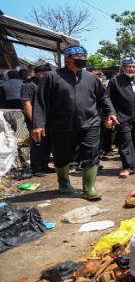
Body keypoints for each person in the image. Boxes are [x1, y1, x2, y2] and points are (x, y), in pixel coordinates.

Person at [32, 46, 118, 200]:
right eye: (79, 55)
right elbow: (40, 101)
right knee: (62, 155)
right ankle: (64, 184)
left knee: (92, 153)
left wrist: (110, 113)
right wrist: (38, 124)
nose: (83, 58)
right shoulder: (52, 77)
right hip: (62, 124)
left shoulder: (91, 78)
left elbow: (103, 97)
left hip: (90, 122)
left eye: (85, 55)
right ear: (68, 58)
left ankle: (89, 188)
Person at [21, 64, 53, 177]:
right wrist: (35, 121)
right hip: (35, 120)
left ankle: (45, 165)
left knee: (47, 143)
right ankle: (37, 168)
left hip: (47, 119)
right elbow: (26, 103)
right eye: (45, 73)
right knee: (37, 143)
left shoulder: (45, 85)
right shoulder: (29, 86)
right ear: (38, 73)